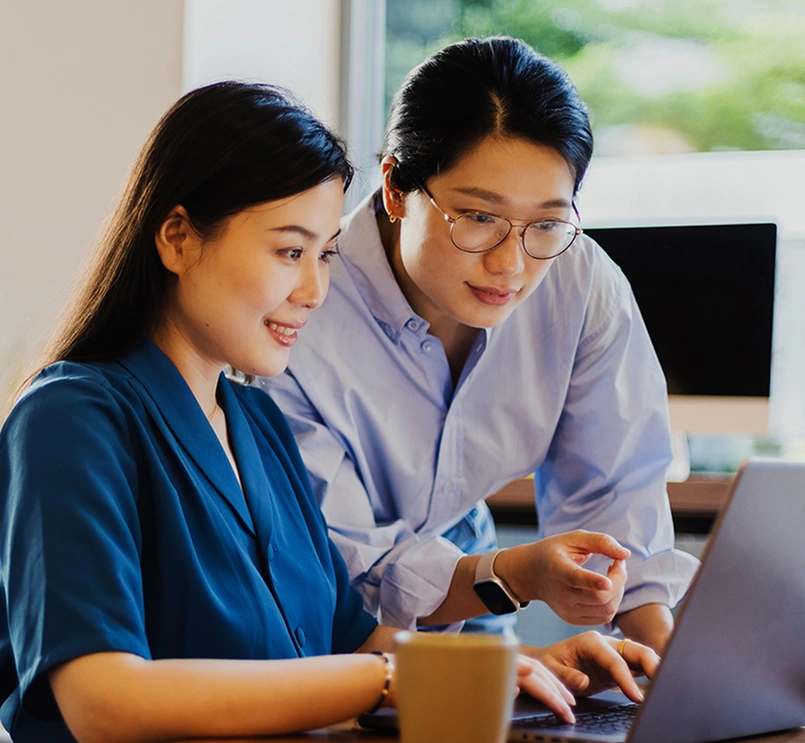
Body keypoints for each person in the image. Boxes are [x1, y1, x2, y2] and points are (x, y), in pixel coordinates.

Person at [0, 81, 659, 743]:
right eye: (289, 252)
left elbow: (353, 635)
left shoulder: (256, 425)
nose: (314, 291)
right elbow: (102, 699)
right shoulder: (71, 419)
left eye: (323, 255)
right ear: (176, 237)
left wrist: (521, 668)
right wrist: (385, 677)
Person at [260, 36, 700, 653]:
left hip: (475, 595)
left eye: (547, 222)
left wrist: (664, 672)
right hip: (327, 633)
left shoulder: (579, 281)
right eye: (479, 217)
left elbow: (616, 491)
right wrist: (513, 579)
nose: (511, 265)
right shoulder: (298, 304)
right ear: (394, 188)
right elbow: (342, 568)